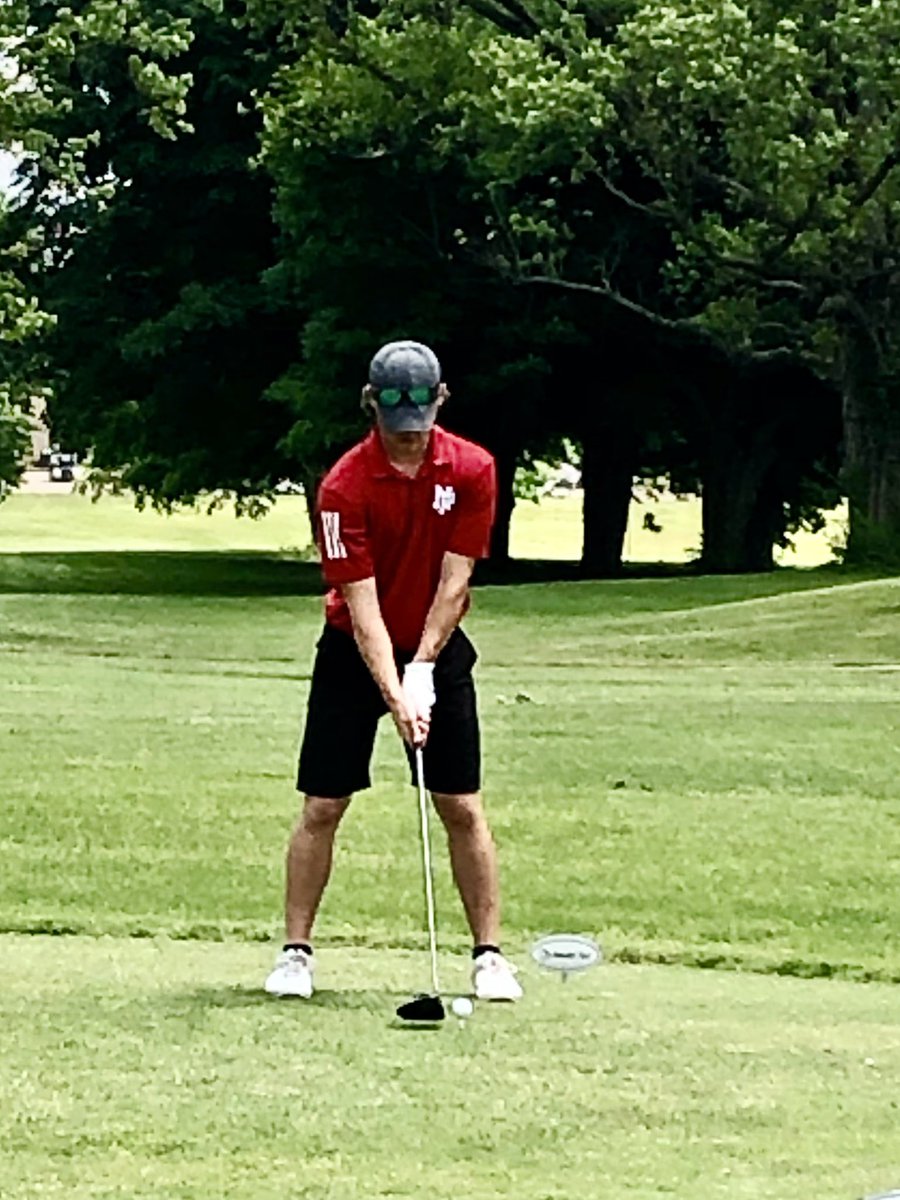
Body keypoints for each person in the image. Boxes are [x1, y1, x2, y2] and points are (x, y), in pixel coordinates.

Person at [264, 340, 522, 1003]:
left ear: (441, 401)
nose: (408, 442)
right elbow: (362, 605)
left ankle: (489, 957)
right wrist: (397, 688)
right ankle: (296, 954)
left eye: (419, 425)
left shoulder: (473, 470)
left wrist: (427, 668)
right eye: (394, 426)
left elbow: (456, 579)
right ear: (370, 405)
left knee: (459, 803)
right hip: (353, 651)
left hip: (438, 643)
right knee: (323, 803)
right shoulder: (342, 488)